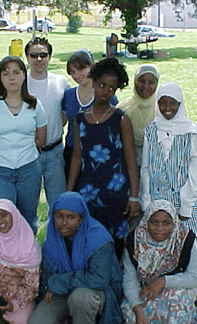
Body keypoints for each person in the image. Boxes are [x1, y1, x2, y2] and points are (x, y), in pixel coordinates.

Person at [140, 82, 197, 293]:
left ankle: (193, 287)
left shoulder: (190, 132)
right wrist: (146, 200)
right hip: (157, 199)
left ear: (180, 105)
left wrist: (185, 207)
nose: (167, 108)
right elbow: (145, 168)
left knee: (187, 241)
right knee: (162, 242)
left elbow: (196, 172)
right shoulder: (152, 130)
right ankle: (162, 284)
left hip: (184, 199)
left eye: (172, 103)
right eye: (162, 103)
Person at [28, 192, 124, 324]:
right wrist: (44, 294)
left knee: (79, 298)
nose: (63, 222)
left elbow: (99, 279)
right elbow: (47, 274)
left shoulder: (98, 239)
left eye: (70, 217)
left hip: (97, 291)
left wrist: (59, 282)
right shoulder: (52, 236)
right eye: (59, 216)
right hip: (64, 290)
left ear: (81, 218)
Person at [67, 57, 139, 259]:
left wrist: (134, 195)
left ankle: (114, 285)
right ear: (93, 82)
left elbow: (131, 158)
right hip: (88, 189)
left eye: (111, 88)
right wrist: (69, 191)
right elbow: (76, 158)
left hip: (116, 191)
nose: (105, 91)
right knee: (88, 239)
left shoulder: (121, 119)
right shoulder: (80, 119)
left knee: (116, 243)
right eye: (101, 85)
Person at [0, 56, 47, 233]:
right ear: (0, 78)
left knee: (28, 219)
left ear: (24, 76)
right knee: (3, 221)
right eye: (6, 73)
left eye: (16, 72)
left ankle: (29, 259)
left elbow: (41, 139)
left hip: (29, 169)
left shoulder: (35, 105)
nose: (12, 78)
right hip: (0, 171)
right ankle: (4, 260)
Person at [119, 200, 197, 324]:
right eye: (154, 222)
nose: (160, 228)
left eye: (166, 223)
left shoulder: (185, 238)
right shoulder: (135, 240)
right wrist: (137, 308)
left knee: (174, 303)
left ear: (174, 223)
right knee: (132, 308)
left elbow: (195, 278)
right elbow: (129, 279)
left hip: (178, 288)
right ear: (146, 221)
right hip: (146, 289)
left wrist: (163, 281)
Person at [25, 37, 70, 212]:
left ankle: (57, 239)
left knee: (59, 206)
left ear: (49, 57)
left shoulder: (60, 82)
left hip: (55, 153)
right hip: (28, 153)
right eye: (33, 55)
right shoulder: (21, 83)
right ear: (27, 58)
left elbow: (67, 111)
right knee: (28, 205)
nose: (38, 59)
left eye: (43, 55)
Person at [62, 49, 119, 180]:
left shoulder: (106, 95)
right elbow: (63, 119)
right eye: (73, 72)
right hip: (71, 151)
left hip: (98, 152)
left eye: (81, 69)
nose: (77, 75)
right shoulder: (69, 95)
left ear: (92, 67)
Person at [117, 64, 159, 167]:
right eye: (141, 81)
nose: (145, 86)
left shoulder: (162, 110)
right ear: (135, 81)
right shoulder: (123, 109)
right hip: (125, 165)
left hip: (155, 168)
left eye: (151, 82)